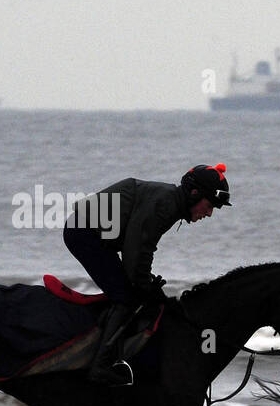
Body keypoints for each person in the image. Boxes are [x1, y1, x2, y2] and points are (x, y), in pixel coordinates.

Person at [63, 164, 231, 385]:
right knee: (126, 299)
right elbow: (136, 251)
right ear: (194, 194)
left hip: (92, 234)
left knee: (134, 292)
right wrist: (146, 285)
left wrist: (147, 283)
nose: (209, 213)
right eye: (209, 206)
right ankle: (100, 367)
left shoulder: (171, 202)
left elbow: (139, 252)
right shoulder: (166, 204)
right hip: (84, 233)